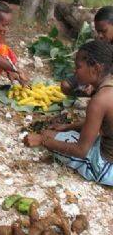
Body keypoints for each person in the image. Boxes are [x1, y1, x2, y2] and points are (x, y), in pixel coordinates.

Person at [24, 40, 113, 186]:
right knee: (57, 135)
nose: (74, 71)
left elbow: (81, 150)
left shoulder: (99, 101)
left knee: (47, 135)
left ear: (96, 68)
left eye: (78, 67)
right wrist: (68, 127)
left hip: (106, 167)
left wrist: (42, 141)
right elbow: (102, 123)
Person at [61, 6, 113, 97]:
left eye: (104, 31)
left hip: (107, 80)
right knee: (66, 85)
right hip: (99, 75)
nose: (100, 36)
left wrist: (96, 83)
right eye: (98, 31)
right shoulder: (104, 41)